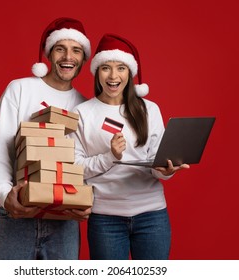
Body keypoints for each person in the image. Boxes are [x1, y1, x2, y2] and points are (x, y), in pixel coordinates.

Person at [70, 33, 189, 260]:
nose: (113, 76)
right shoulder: (82, 113)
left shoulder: (149, 109)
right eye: (106, 68)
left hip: (152, 215)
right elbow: (75, 168)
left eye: (121, 68)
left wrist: (165, 170)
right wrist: (110, 155)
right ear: (97, 72)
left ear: (130, 73)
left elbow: (155, 160)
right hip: (105, 218)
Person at [0, 17, 92, 260]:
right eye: (60, 49)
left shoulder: (86, 107)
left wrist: (86, 201)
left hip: (63, 222)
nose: (68, 57)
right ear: (48, 54)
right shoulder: (20, 89)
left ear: (84, 58)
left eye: (76, 50)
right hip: (16, 212)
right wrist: (5, 196)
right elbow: (2, 150)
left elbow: (86, 164)